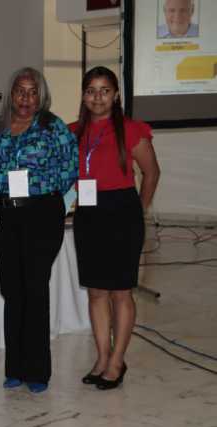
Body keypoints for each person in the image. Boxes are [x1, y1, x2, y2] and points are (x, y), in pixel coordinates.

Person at [0, 66, 78, 394]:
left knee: (35, 289)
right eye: (20, 91)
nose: (25, 98)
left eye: (32, 91)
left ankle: (38, 371)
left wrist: (47, 197)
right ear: (11, 94)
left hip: (41, 215)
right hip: (5, 215)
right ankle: (15, 368)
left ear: (41, 95)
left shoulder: (53, 127)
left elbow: (69, 167)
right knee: (13, 290)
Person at [70, 66, 160, 390]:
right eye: (91, 90)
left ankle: (117, 360)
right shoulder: (72, 132)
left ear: (116, 95)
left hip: (123, 212)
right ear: (83, 96)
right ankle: (102, 355)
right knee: (96, 292)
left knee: (121, 292)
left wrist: (139, 209)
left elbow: (151, 174)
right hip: (89, 216)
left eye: (105, 90)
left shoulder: (132, 130)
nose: (98, 97)